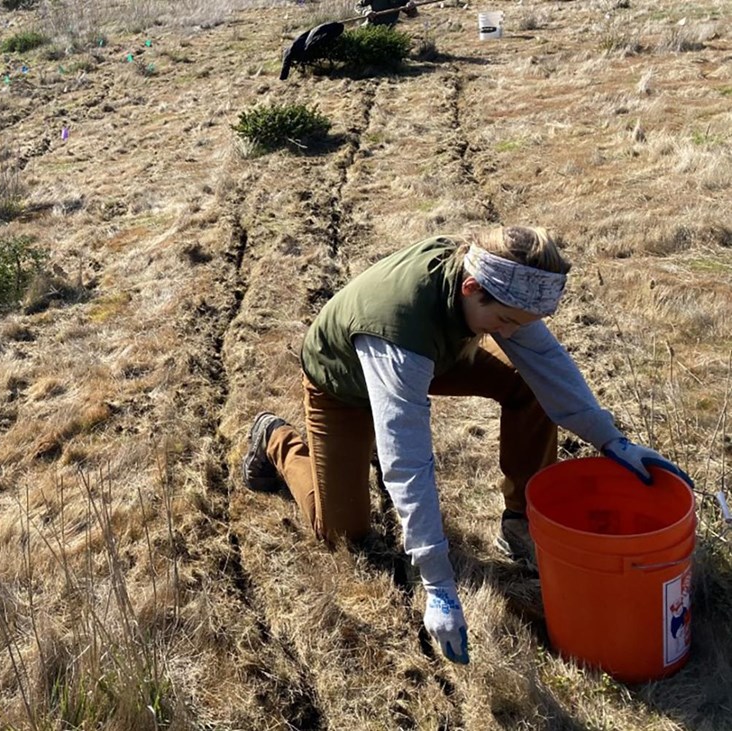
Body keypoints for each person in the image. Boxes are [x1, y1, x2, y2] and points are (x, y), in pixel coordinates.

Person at [241, 226, 693, 666]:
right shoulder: (400, 331)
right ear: (471, 288)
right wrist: (437, 579)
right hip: (342, 383)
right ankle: (276, 438)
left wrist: (611, 439)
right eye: (506, 322)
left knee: (529, 384)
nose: (512, 334)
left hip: (437, 355)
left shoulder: (496, 284)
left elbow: (546, 363)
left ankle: (519, 523)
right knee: (340, 532)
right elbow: (408, 461)